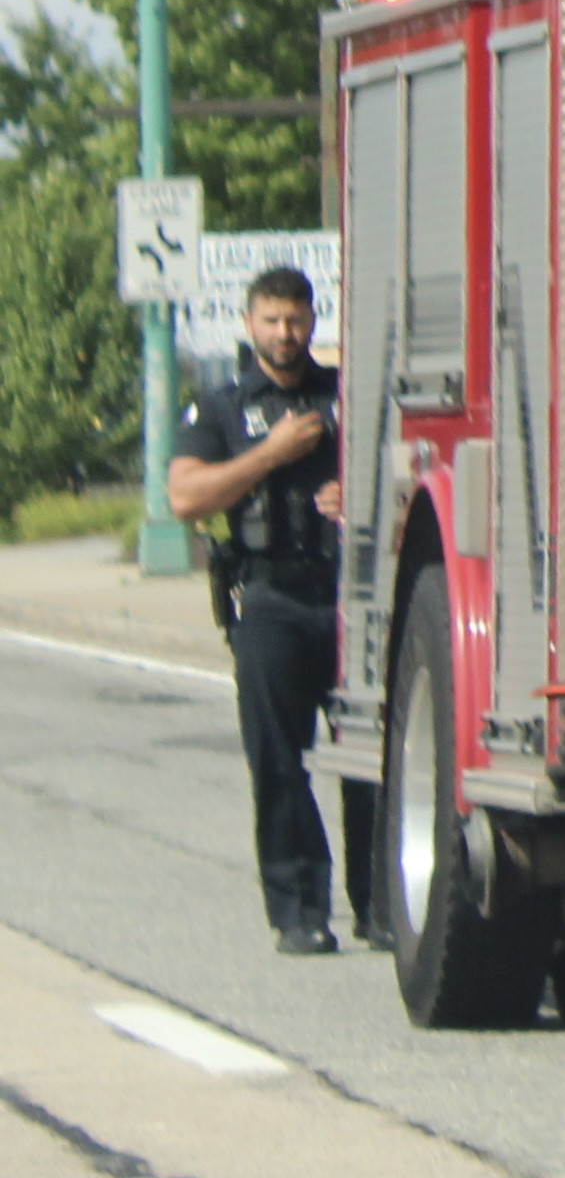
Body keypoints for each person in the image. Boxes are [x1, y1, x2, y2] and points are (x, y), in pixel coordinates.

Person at [166, 266, 346, 955]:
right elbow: (186, 497)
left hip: (346, 597)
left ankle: (380, 903)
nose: (284, 333)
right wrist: (268, 456)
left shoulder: (342, 397)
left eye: (296, 319)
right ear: (249, 324)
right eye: (271, 320)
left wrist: (355, 496)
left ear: (312, 321)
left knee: (372, 760)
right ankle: (298, 909)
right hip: (268, 600)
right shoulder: (220, 407)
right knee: (277, 759)